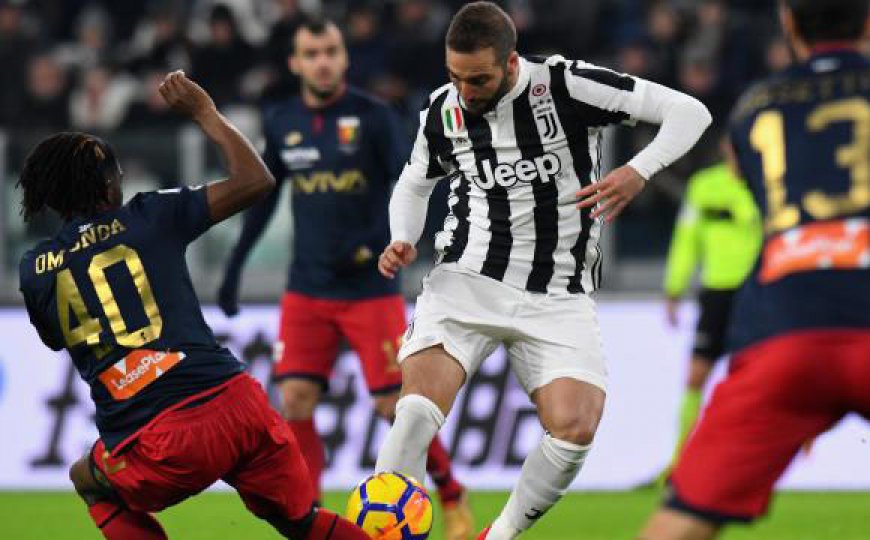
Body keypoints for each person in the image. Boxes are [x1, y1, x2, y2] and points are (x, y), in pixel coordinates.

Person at [373, 2, 711, 539]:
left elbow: (690, 112)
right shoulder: (443, 108)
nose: (465, 91)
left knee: (575, 428)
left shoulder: (568, 85)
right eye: (455, 77)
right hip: (467, 280)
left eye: (478, 78)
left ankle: (498, 536)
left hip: (558, 294)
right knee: (415, 410)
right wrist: (402, 237)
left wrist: (638, 170)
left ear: (510, 64)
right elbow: (416, 181)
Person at [640, 1, 870, 538]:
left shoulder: (754, 107)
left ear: (788, 25)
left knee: (684, 516)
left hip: (781, 344)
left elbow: (758, 185)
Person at [17, 71, 368, 540]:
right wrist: (205, 111)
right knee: (301, 522)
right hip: (238, 405)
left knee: (88, 480)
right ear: (106, 189)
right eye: (117, 175)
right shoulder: (149, 216)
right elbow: (255, 180)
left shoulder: (35, 268)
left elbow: (56, 340)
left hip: (158, 440)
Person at [216, 16, 474, 537]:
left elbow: (413, 184)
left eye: (330, 50)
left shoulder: (374, 118)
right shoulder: (283, 119)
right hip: (306, 287)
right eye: (311, 53)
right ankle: (308, 516)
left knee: (392, 404)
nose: (323, 61)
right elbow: (263, 201)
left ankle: (451, 493)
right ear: (295, 63)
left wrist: (391, 240)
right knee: (295, 401)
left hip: (367, 288)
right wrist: (234, 268)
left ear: (344, 57)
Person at [660, 142, 761, 477]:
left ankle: (743, 465)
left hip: (757, 292)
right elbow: (687, 238)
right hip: (716, 293)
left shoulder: (771, 183)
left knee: (752, 381)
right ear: (725, 148)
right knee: (696, 377)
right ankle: (680, 465)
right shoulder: (704, 185)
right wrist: (674, 288)